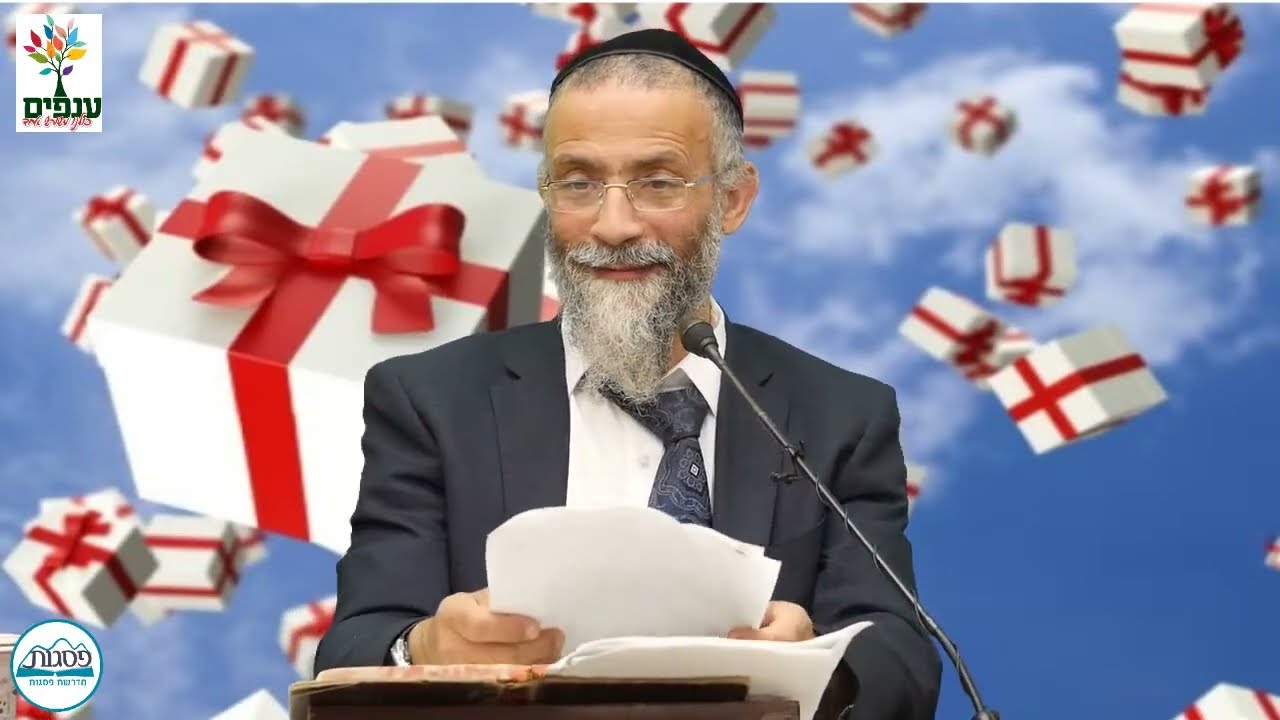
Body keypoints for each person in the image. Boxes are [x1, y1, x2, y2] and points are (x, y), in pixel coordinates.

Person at [314, 27, 942, 720]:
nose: (613, 226)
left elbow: (899, 660)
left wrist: (818, 667)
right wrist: (423, 649)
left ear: (733, 198)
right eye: (579, 183)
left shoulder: (841, 414)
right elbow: (356, 645)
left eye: (658, 182)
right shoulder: (430, 400)